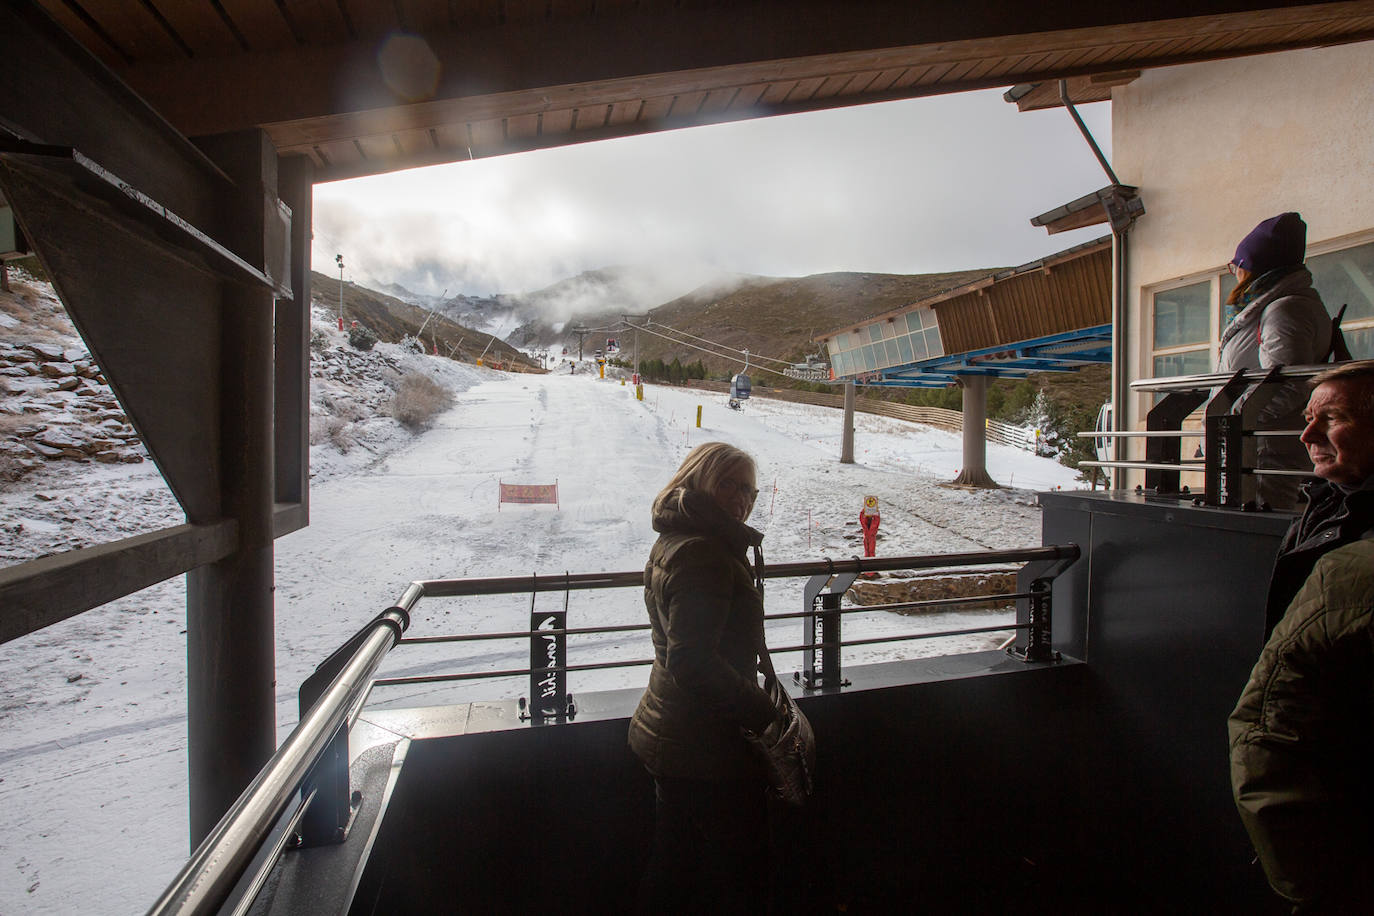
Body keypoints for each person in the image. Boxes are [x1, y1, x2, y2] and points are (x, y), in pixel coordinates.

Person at [1228, 361, 1374, 913]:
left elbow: (1275, 714)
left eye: (1330, 419)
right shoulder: (1327, 504)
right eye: (1307, 419)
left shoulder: (1352, 547)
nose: (1306, 436)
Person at [629, 441, 777, 914]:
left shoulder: (684, 536)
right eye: (728, 484)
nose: (740, 498)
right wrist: (760, 709)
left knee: (678, 861)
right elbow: (692, 660)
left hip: (679, 730)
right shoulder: (703, 553)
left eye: (748, 490)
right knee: (700, 871)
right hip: (700, 739)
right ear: (699, 481)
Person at [1216, 212, 1332, 511]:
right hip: (1254, 440)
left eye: (1237, 266)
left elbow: (1286, 384)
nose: (1235, 273)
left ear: (1252, 268)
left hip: (1264, 446)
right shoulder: (1275, 305)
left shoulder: (1284, 310)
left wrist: (1237, 417)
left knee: (1261, 525)